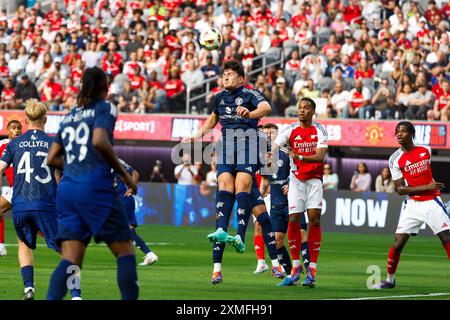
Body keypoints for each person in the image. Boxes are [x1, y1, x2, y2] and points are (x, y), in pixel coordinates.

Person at [183, 60, 281, 285]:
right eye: (223, 74)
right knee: (226, 187)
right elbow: (213, 119)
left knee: (251, 200)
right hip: (226, 147)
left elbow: (266, 108)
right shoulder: (219, 97)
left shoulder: (250, 93)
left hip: (247, 145)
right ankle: (217, 265)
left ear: (240, 78)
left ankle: (253, 247)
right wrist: (196, 136)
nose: (225, 77)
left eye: (229, 74)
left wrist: (250, 114)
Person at [46, 67, 138, 300]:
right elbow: (99, 140)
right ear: (104, 88)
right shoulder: (105, 108)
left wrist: (75, 163)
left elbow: (52, 158)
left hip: (67, 190)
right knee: (125, 251)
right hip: (95, 187)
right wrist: (125, 175)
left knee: (71, 259)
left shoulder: (69, 117)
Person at [0, 100, 79, 300]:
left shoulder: (14, 144)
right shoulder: (54, 143)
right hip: (45, 203)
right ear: (45, 119)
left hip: (19, 204)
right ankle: (76, 294)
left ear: (25, 120)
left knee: (23, 244)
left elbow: (0, 168)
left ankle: (29, 288)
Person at [373, 121, 450, 289]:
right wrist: (426, 187)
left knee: (446, 237)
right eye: (397, 132)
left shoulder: (426, 150)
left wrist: (429, 189)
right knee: (398, 243)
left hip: (432, 202)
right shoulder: (395, 159)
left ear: (412, 134)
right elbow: (399, 189)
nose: (399, 134)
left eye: (403, 131)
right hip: (413, 204)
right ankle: (389, 280)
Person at [273, 97, 329, 288]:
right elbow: (276, 144)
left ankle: (312, 269)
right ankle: (296, 266)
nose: (302, 111)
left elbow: (320, 157)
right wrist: (269, 153)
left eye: (306, 108)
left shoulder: (320, 130)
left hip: (314, 181)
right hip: (296, 180)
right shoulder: (290, 129)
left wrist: (300, 156)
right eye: (299, 108)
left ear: (313, 111)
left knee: (314, 220)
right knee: (294, 219)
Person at [115, 159, 158, 266]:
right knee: (127, 231)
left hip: (122, 200)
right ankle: (148, 254)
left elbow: (135, 173)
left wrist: (131, 188)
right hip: (119, 201)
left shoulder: (112, 160)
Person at [0, 120, 23, 257]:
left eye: (19, 128)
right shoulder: (2, 145)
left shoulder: (26, 145)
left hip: (26, 186)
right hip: (14, 188)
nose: (17, 130)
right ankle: (1, 244)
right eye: (13, 128)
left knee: (35, 222)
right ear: (7, 130)